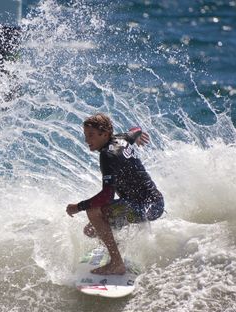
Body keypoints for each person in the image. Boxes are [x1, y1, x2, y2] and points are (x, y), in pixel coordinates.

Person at [66, 113, 164, 275]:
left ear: (104, 134)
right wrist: (137, 136)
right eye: (85, 135)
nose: (86, 140)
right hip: (155, 204)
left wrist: (78, 207)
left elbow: (107, 196)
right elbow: (136, 129)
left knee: (93, 212)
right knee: (91, 230)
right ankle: (117, 251)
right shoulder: (122, 138)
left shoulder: (108, 155)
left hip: (142, 207)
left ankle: (116, 263)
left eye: (91, 135)